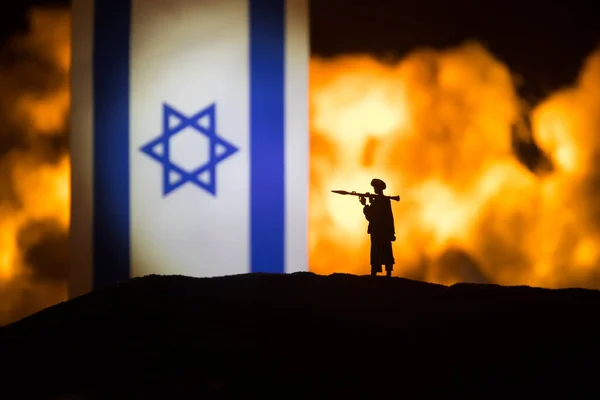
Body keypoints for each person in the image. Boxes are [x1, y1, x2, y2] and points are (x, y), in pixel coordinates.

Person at [360, 178, 396, 277]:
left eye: (375, 187)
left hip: (378, 231)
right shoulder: (384, 201)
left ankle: (375, 273)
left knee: (377, 250)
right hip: (383, 231)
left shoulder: (379, 202)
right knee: (385, 250)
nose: (374, 189)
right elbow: (389, 217)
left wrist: (365, 205)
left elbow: (372, 216)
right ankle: (387, 272)